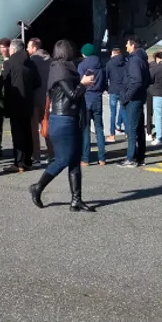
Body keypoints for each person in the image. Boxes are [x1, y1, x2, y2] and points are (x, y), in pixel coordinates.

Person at [29, 40, 95, 211]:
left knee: (74, 160)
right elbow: (72, 95)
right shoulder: (60, 69)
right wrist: (83, 84)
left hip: (71, 118)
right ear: (67, 51)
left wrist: (83, 84)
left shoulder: (66, 68)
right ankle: (38, 186)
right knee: (63, 159)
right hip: (62, 118)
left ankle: (76, 200)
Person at [3, 38, 40, 172]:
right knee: (27, 131)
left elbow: (5, 81)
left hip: (15, 101)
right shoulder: (31, 63)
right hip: (28, 102)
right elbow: (37, 82)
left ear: (13, 49)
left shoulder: (9, 62)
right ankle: (27, 161)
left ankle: (18, 163)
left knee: (17, 133)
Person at [119, 37, 150, 168]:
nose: (126, 46)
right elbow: (147, 79)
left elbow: (136, 80)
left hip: (133, 99)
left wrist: (127, 96)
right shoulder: (143, 59)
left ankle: (131, 158)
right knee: (139, 128)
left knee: (131, 129)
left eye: (127, 44)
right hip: (140, 97)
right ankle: (140, 157)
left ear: (133, 46)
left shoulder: (134, 60)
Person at [78, 44, 107, 165]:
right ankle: (102, 158)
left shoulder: (82, 66)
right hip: (97, 97)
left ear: (84, 54)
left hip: (85, 97)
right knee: (99, 128)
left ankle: (85, 158)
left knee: (85, 129)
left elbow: (80, 82)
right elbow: (105, 83)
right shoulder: (101, 65)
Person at [27, 38, 52, 162]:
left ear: (34, 48)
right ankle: (52, 152)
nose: (27, 49)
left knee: (33, 129)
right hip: (48, 97)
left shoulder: (32, 60)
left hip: (35, 97)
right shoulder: (50, 59)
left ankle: (36, 154)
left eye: (29, 47)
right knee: (47, 125)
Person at [105, 47, 126, 140]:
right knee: (124, 111)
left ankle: (112, 134)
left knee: (112, 113)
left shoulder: (109, 63)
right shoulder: (125, 62)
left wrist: (107, 89)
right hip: (123, 90)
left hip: (113, 89)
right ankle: (127, 133)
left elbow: (106, 77)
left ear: (113, 54)